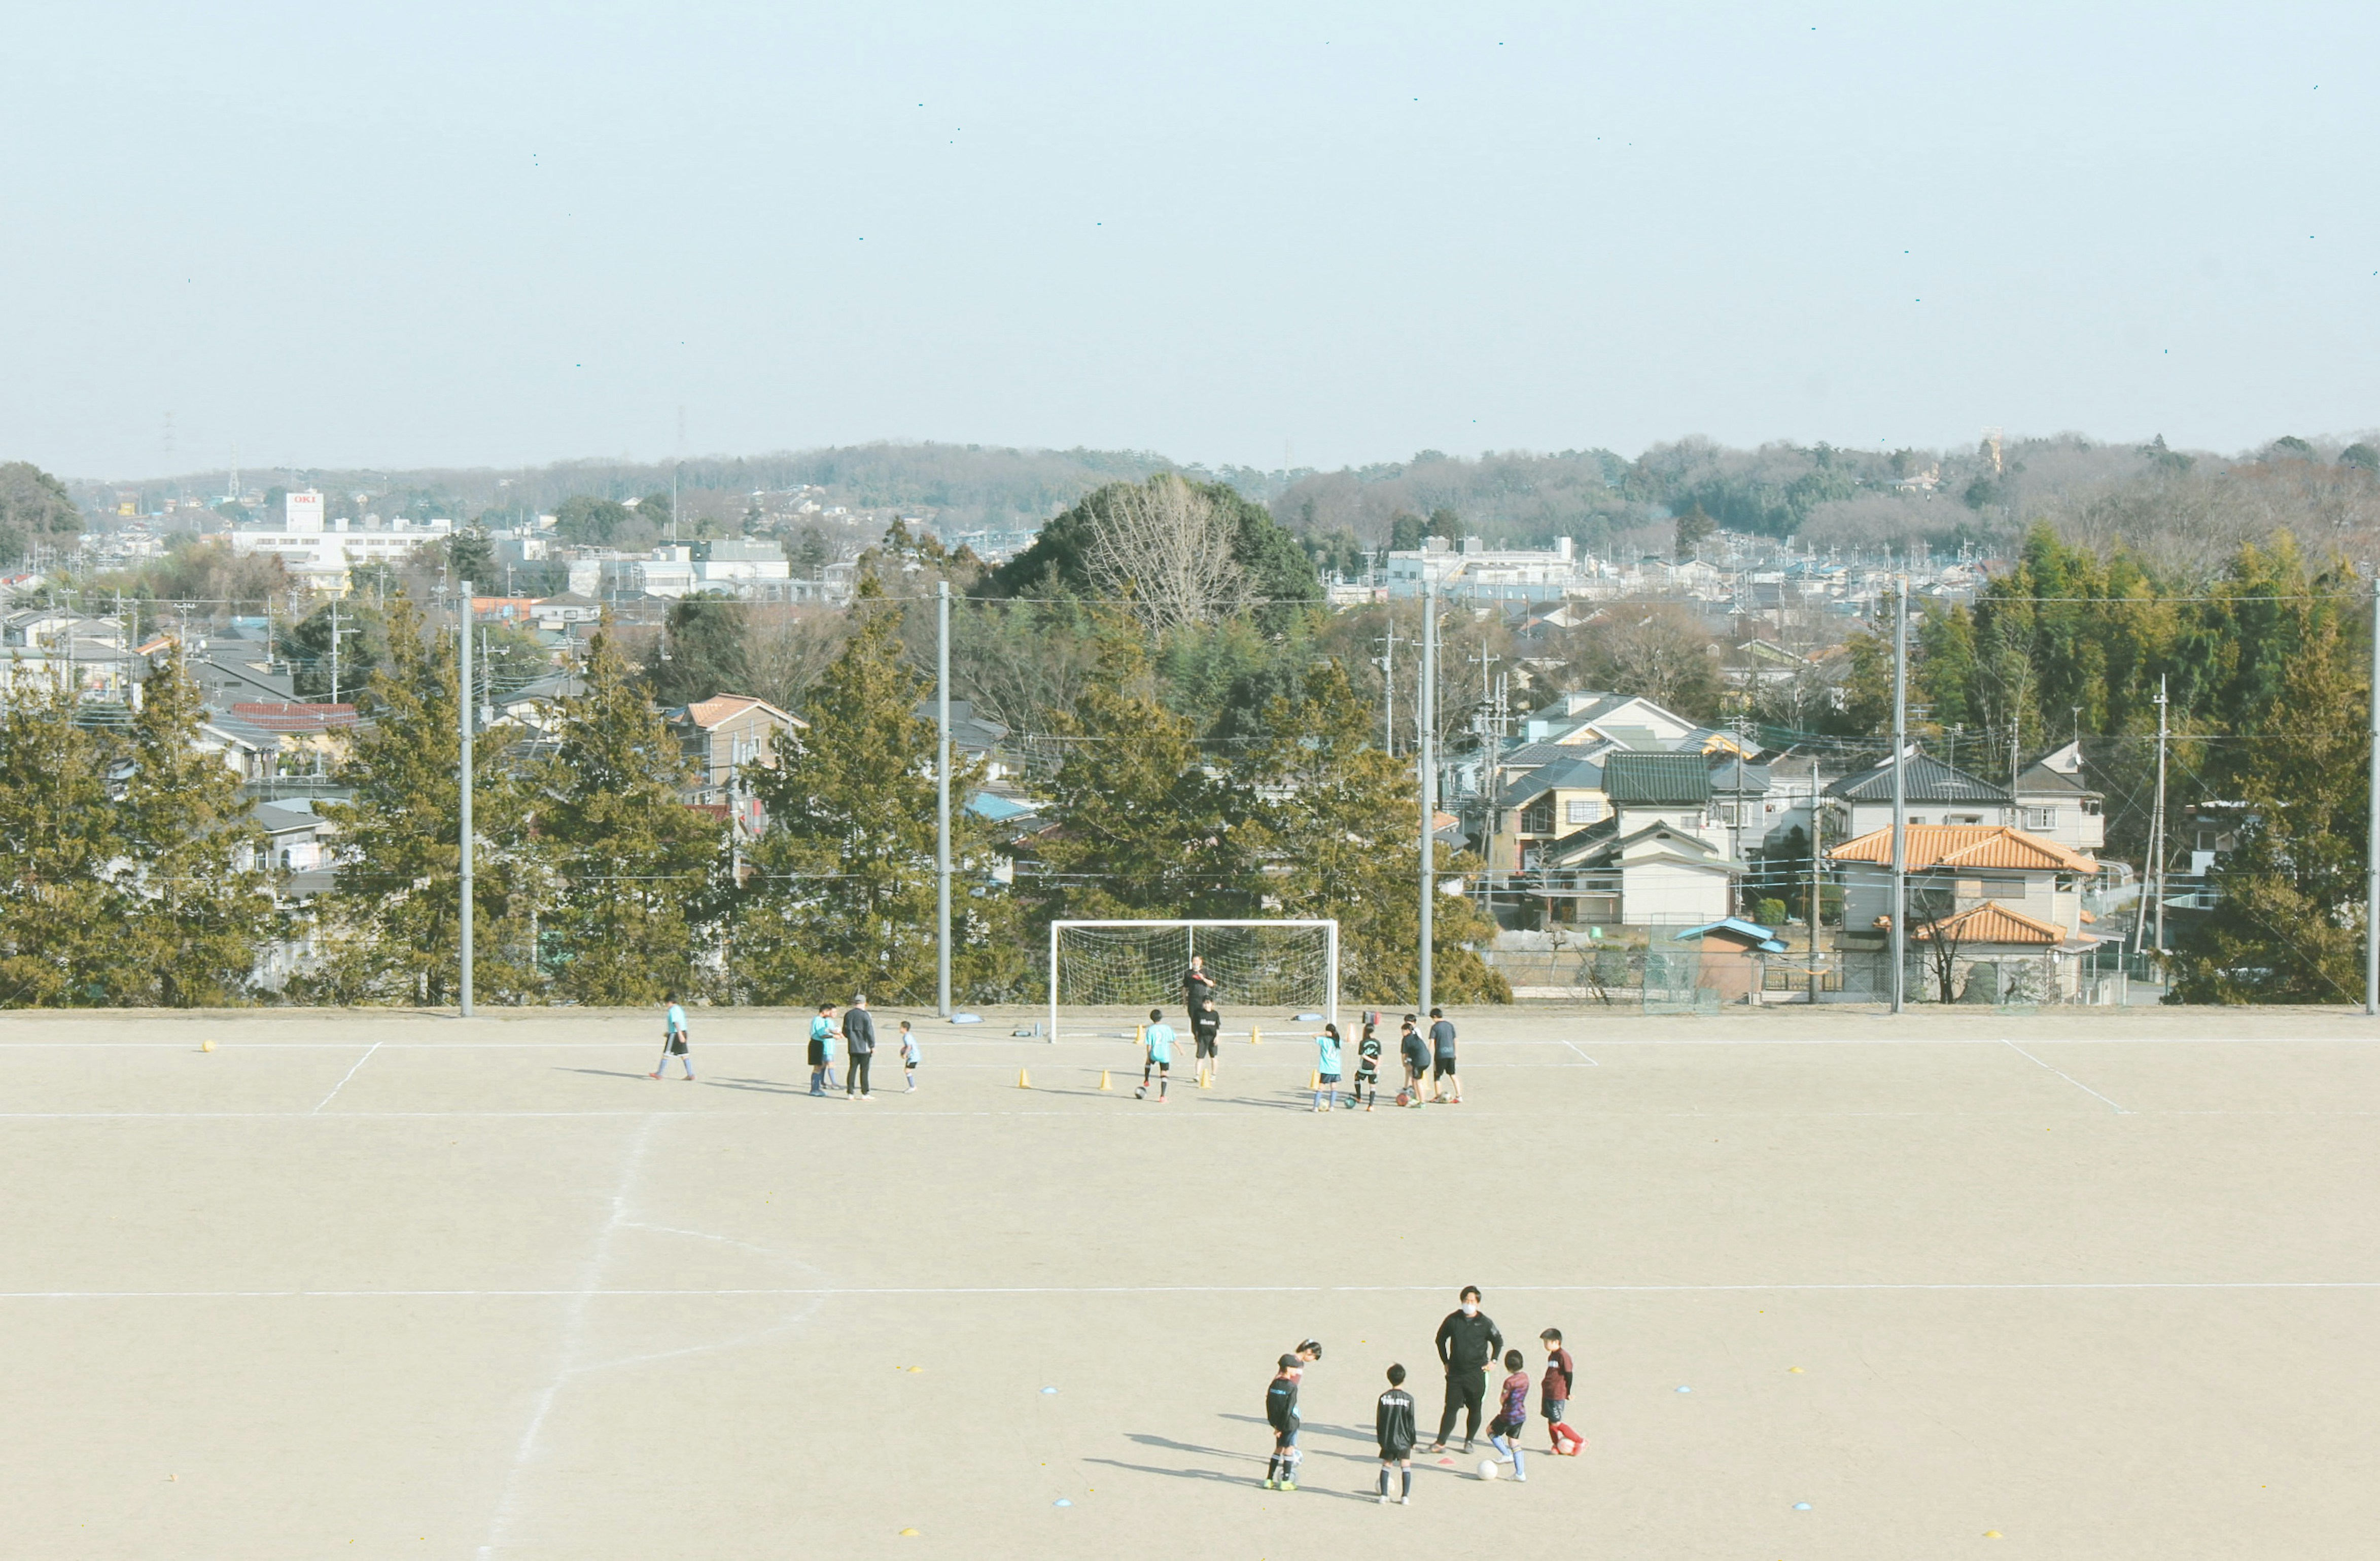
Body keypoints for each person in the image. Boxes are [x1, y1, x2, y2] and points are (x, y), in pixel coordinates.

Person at [1428, 1285, 1503, 1453]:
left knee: (1475, 1408)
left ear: (1478, 1303)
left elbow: (1498, 1341)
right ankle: (1440, 1443)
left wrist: (1494, 1361)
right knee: (1451, 1408)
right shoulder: (1453, 1320)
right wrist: (1445, 1362)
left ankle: (1469, 1441)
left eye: (1472, 1301)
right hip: (1455, 1373)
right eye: (1466, 1301)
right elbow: (1440, 1340)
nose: (1469, 1304)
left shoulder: (1485, 1323)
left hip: (1477, 1374)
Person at [1376, 1363, 1417, 1505]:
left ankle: (1384, 1495)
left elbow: (1379, 1420)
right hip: (1404, 1439)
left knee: (1386, 1465)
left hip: (1388, 1438)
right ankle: (1405, 1496)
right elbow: (1411, 1422)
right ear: (1404, 1378)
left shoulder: (1383, 1398)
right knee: (1405, 1466)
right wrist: (1413, 1440)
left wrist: (1381, 1439)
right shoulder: (1408, 1399)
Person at [1488, 1350, 1530, 1481]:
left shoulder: (1509, 1382)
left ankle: (1506, 1454)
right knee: (1514, 1441)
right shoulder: (1525, 1377)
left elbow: (1503, 1399)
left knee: (1491, 1431)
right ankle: (1520, 1473)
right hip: (1521, 1415)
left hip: (1508, 1416)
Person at [1262, 1353, 1302, 1490]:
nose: (1296, 1371)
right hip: (1289, 1424)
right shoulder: (1292, 1387)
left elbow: (1269, 1404)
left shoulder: (1274, 1384)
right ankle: (1285, 1481)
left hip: (1277, 1423)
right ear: (1288, 1368)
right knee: (1289, 1450)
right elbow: (1289, 1409)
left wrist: (1275, 1425)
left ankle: (1269, 1479)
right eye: (1295, 1368)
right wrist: (1283, 1427)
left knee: (1278, 1450)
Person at [1541, 1328, 1577, 1455]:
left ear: (1557, 1342)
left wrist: (1568, 1392)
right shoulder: (1552, 1355)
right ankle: (1556, 1445)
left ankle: (1579, 1441)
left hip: (1557, 1394)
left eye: (1547, 1342)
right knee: (1551, 1421)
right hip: (1548, 1393)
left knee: (1556, 1422)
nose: (1545, 1345)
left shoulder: (1563, 1356)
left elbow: (1569, 1374)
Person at [648, 994, 693, 1081]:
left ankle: (659, 1074)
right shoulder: (679, 1009)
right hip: (683, 1032)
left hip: (675, 1034)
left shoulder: (672, 1010)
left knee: (666, 1054)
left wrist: (678, 1034)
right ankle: (690, 1074)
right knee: (684, 1055)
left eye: (666, 1003)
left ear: (669, 1002)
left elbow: (676, 1022)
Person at [844, 994, 878, 1099]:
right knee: (864, 1070)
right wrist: (872, 1045)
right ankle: (865, 1093)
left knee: (852, 1069)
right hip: (864, 1048)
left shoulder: (848, 1015)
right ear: (864, 1003)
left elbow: (845, 1031)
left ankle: (850, 1093)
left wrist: (851, 1039)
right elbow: (869, 1031)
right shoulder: (866, 1015)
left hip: (852, 1047)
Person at [1138, 1008, 1174, 1102]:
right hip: (1164, 1055)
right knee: (1164, 1073)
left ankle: (1146, 1079)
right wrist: (1181, 1049)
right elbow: (1173, 1039)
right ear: (1161, 1017)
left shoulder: (1150, 1029)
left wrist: (1149, 1055)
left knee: (1148, 1062)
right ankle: (1162, 1096)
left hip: (1154, 1053)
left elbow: (1149, 1045)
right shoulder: (1166, 1028)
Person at [1427, 1007, 1462, 1104]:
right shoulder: (1450, 1025)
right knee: (1453, 1075)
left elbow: (1432, 1042)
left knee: (1437, 1077)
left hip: (1440, 1055)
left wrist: (1428, 1054)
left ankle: (1438, 1096)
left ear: (1435, 1017)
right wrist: (1456, 1052)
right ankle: (1459, 1096)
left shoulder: (1435, 1027)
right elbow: (1455, 1040)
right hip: (1451, 1054)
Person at [807, 1002, 838, 1096]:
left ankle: (816, 1088)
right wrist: (834, 1036)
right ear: (824, 1011)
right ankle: (815, 1089)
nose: (830, 1014)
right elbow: (822, 1034)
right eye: (829, 1012)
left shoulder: (820, 1020)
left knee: (819, 1067)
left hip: (817, 1044)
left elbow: (826, 1030)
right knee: (817, 1068)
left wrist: (833, 1032)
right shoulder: (819, 1020)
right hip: (817, 1044)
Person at [1191, 996, 1223, 1089]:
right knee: (1200, 1057)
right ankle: (1197, 1075)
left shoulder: (1215, 1014)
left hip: (1212, 1038)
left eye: (1208, 1003)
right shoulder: (1199, 1013)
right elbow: (1195, 1026)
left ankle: (1214, 1074)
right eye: (1205, 1003)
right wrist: (1196, 1038)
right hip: (1202, 1038)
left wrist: (1217, 1037)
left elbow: (1217, 1027)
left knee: (1214, 1057)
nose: (1206, 1005)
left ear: (1212, 1004)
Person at [1398, 1014, 1429, 1107]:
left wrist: (1404, 1063)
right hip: (1426, 1059)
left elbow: (1404, 1054)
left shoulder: (1406, 1039)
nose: (1402, 1033)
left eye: (1403, 1031)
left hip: (1419, 1061)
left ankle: (1422, 1102)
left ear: (1408, 1031)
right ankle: (1417, 1099)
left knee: (1417, 1081)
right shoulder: (1415, 1036)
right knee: (1414, 1079)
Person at [1312, 1023, 1343, 1113]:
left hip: (1326, 1068)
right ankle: (1332, 1106)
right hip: (1336, 1068)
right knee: (1334, 1087)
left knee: (1321, 1088)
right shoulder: (1338, 1042)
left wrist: (1323, 1033)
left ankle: (1315, 1107)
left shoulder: (1324, 1041)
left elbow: (1313, 1036)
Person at [1354, 1016, 1383, 1111]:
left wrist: (1371, 1060)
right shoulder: (1377, 1042)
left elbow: (1362, 1055)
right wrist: (1377, 1065)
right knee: (1372, 1086)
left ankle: (1359, 1097)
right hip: (1374, 1067)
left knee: (1357, 1078)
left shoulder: (1363, 1042)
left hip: (1365, 1066)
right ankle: (1371, 1105)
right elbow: (1380, 1056)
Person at [1183, 954, 1218, 1026]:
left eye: (1197, 961)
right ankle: (1196, 1035)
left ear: (1201, 962)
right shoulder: (1188, 973)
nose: (1195, 963)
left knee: (1203, 1019)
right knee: (1194, 1020)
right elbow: (1185, 988)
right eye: (1194, 961)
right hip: (1192, 1000)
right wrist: (1184, 1000)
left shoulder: (1205, 971)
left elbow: (1212, 984)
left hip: (1203, 999)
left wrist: (1203, 979)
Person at [899, 1020, 922, 1091]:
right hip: (913, 1056)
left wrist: (905, 1054)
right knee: (907, 1070)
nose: (899, 1029)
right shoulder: (908, 1036)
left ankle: (913, 1087)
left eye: (901, 1028)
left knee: (907, 1071)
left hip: (913, 1057)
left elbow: (909, 1047)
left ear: (905, 1029)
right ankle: (912, 1086)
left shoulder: (907, 1037)